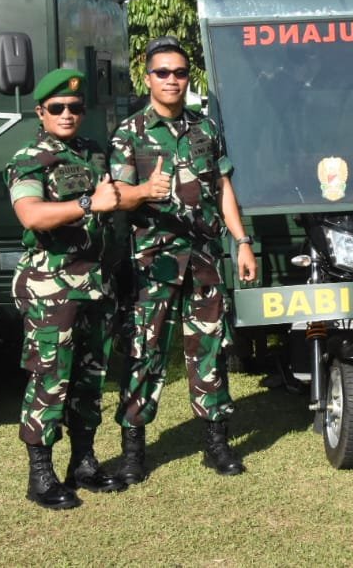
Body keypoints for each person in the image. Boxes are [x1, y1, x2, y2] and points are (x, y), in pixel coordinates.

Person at [110, 37, 257, 482]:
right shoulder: (129, 133)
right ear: (147, 79)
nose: (171, 80)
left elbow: (223, 187)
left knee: (211, 347)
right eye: (162, 73)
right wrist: (143, 191)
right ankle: (134, 450)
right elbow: (114, 196)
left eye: (179, 73)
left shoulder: (205, 129)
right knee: (144, 351)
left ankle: (216, 443)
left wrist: (242, 241)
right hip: (152, 263)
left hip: (203, 259)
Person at [4, 67, 126, 510]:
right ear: (41, 112)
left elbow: (117, 199)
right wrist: (89, 202)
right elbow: (32, 215)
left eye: (74, 107)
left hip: (94, 284)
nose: (67, 114)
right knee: (51, 378)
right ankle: (40, 476)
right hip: (51, 287)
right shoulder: (29, 158)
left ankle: (84, 463)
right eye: (57, 107)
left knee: (90, 379)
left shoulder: (93, 153)